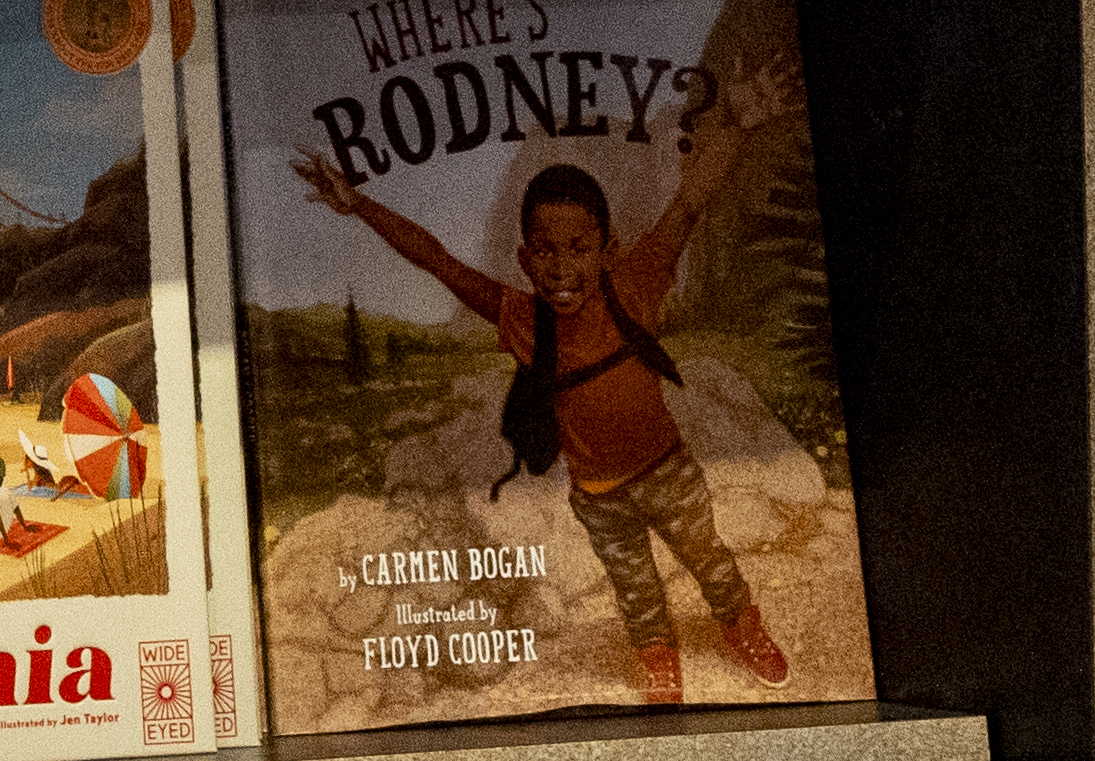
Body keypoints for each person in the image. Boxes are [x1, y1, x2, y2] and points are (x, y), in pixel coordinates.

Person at [297, 126, 793, 701]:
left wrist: (742, 121)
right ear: (525, 260)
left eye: (579, 247)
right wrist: (359, 205)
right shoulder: (520, 319)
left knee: (708, 558)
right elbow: (438, 261)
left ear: (608, 250)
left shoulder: (635, 280)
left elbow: (689, 200)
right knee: (634, 585)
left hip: (668, 472)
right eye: (545, 250)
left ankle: (743, 627)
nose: (560, 267)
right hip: (599, 494)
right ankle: (657, 656)